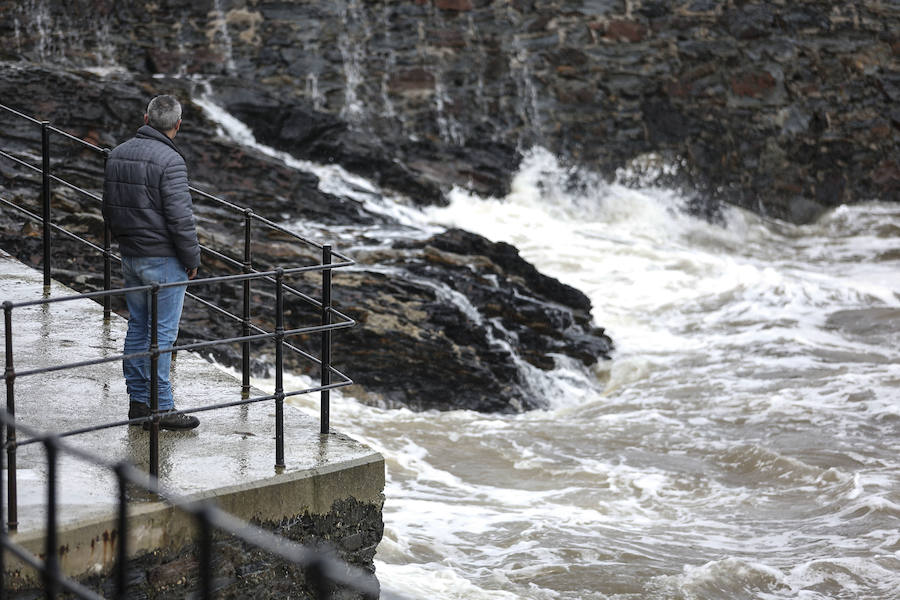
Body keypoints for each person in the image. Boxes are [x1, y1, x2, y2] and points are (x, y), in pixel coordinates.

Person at [102, 95, 201, 430]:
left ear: (145, 118)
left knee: (139, 327)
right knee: (162, 335)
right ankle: (162, 409)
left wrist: (126, 243)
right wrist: (192, 259)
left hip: (131, 255)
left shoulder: (118, 153)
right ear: (178, 124)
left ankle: (139, 403)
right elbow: (181, 219)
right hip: (163, 259)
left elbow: (108, 207)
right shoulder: (170, 161)